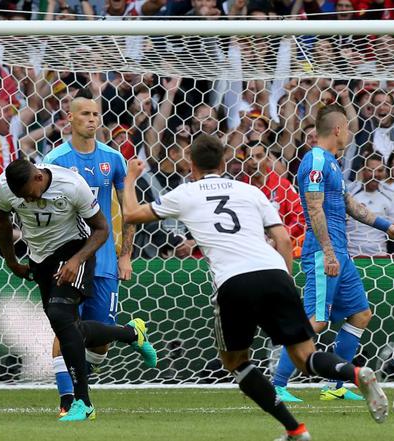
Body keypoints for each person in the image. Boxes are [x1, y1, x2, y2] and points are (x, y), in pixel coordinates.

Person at [123, 134, 388, 440]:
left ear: (190, 164)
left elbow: (131, 214)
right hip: (274, 272)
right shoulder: (250, 191)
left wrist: (131, 178)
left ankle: (296, 429)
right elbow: (285, 240)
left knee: (236, 362)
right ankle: (355, 373)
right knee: (306, 357)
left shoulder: (185, 193)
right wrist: (286, 282)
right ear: (224, 162)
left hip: (234, 282)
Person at [0, 158, 155, 422]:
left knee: (60, 315)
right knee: (69, 328)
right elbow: (0, 218)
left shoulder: (71, 184)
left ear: (37, 178)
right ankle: (131, 333)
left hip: (75, 249)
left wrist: (76, 260)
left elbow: (101, 229)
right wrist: (11, 260)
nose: (28, 201)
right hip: (40, 258)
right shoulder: (4, 187)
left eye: (28, 195)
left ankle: (82, 402)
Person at [273, 105, 394, 403]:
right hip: (324, 252)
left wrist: (386, 226)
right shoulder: (315, 159)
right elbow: (314, 207)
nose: (350, 133)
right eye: (349, 128)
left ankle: (334, 384)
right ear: (338, 129)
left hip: (342, 252)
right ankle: (276, 384)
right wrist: (328, 253)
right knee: (316, 321)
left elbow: (349, 205)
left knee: (361, 314)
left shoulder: (332, 163)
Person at [42, 91, 150, 416]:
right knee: (64, 327)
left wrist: (125, 255)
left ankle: (87, 378)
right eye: (85, 114)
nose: (91, 119)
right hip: (69, 259)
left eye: (95, 113)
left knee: (99, 341)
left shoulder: (113, 159)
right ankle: (68, 402)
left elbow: (128, 211)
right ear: (70, 119)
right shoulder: (55, 161)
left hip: (102, 260)